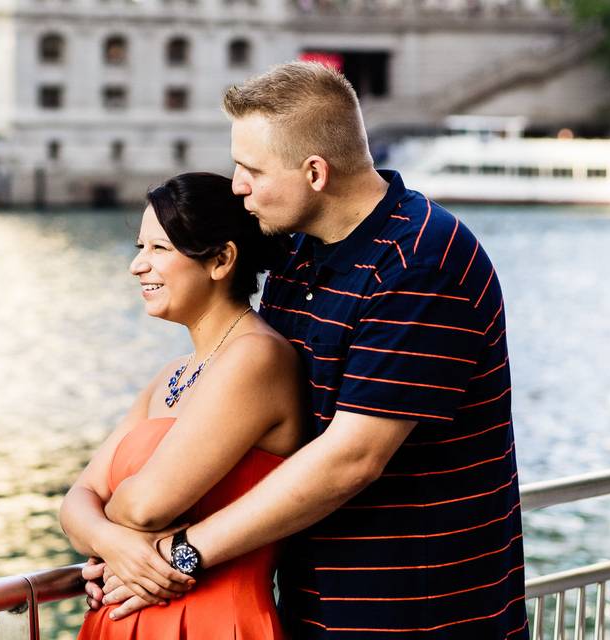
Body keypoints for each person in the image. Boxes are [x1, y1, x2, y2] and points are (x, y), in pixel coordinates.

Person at [82, 61, 529, 638]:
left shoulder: (422, 261)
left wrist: (175, 557)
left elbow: (352, 457)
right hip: (311, 602)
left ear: (315, 172)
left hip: (423, 609)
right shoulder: (296, 257)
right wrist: (120, 546)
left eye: (250, 169)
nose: (237, 185)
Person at [59, 172, 305, 638]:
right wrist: (114, 543)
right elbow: (75, 501)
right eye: (139, 247)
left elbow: (146, 505)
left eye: (159, 249)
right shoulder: (169, 375)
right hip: (124, 612)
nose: (137, 265)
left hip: (210, 619)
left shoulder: (257, 357)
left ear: (220, 260)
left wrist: (103, 532)